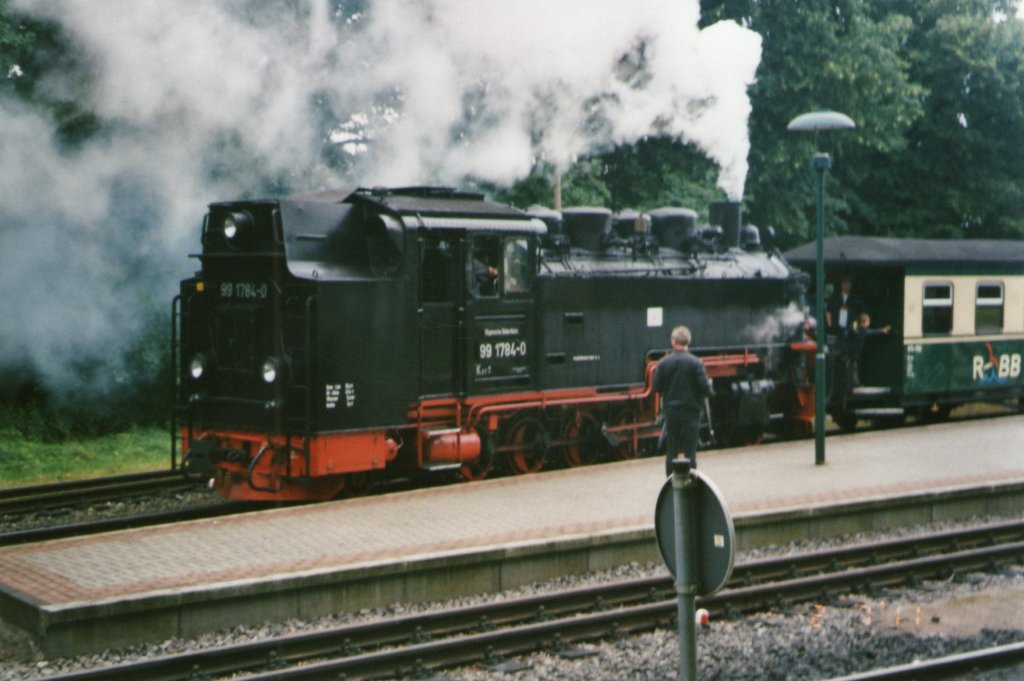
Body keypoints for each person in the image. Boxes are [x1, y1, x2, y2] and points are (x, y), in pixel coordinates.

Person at [654, 325, 712, 475]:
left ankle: (670, 484)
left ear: (673, 341)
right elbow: (706, 389)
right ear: (688, 341)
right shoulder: (696, 363)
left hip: (671, 411)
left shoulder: (663, 363)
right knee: (690, 451)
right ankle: (689, 483)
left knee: (671, 449)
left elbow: (656, 386)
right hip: (691, 411)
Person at [843, 312, 891, 387]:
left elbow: (871, 331)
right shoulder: (858, 330)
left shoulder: (861, 330)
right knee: (851, 368)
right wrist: (882, 330)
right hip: (851, 353)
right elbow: (870, 332)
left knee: (852, 367)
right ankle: (853, 384)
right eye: (868, 321)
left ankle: (855, 383)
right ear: (863, 322)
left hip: (854, 353)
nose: (869, 323)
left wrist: (882, 330)